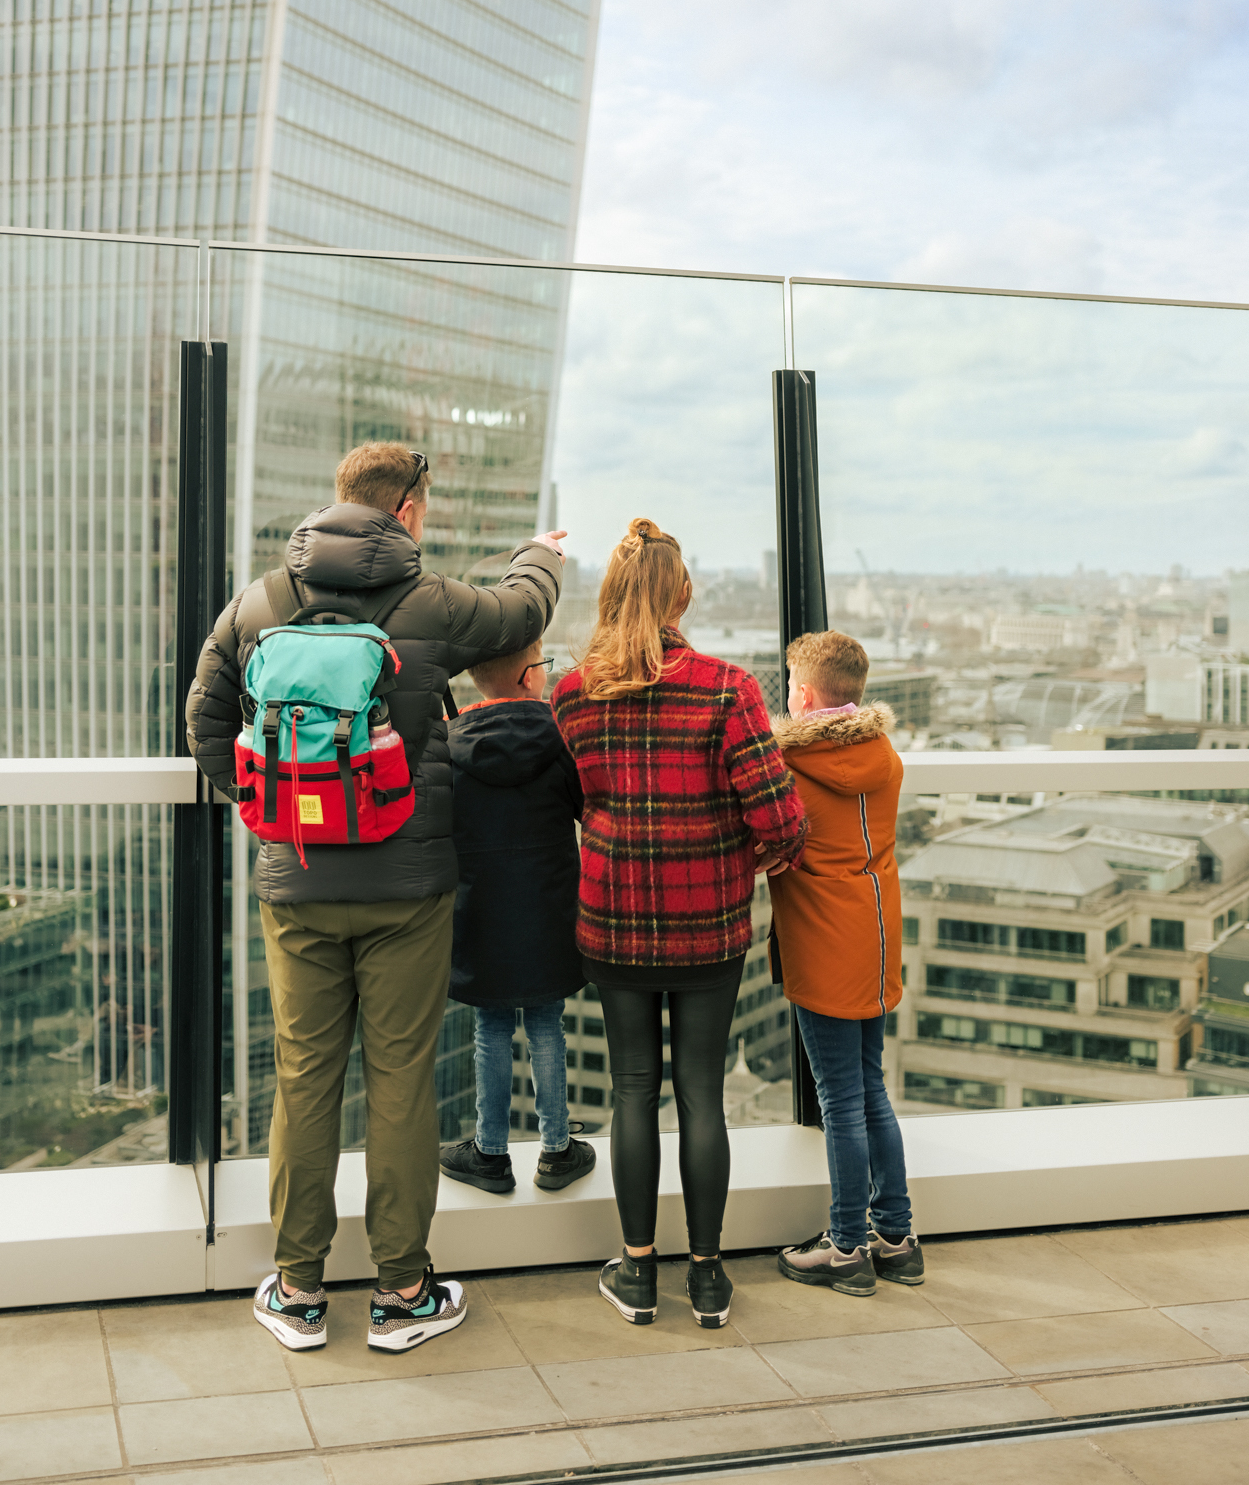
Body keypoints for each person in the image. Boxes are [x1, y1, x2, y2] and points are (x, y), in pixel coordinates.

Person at [185, 441, 566, 1355]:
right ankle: (402, 1293)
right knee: (398, 1083)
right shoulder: (430, 602)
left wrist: (268, 809)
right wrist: (542, 553)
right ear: (409, 509)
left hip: (300, 880)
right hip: (407, 886)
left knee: (304, 1080)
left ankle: (300, 1291)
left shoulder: (260, 603)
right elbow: (521, 610)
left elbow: (204, 719)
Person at [552, 519, 807, 1330]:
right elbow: (781, 816)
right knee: (702, 1094)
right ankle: (706, 1278)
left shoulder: (571, 693)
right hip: (709, 922)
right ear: (683, 594)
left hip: (615, 918)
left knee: (633, 1091)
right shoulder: (729, 688)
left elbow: (572, 806)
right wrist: (757, 859)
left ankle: (636, 1271)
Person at [767, 629, 923, 1295]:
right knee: (870, 1087)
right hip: (876, 932)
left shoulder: (789, 764)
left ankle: (846, 1247)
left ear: (802, 695)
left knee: (840, 1100)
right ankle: (896, 1237)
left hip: (822, 937)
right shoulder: (883, 752)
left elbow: (772, 837)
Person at [438, 637, 596, 1197]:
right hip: (550, 906)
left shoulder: (450, 744)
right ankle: (556, 1149)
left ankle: (490, 1151)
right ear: (531, 677)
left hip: (480, 909)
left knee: (491, 1029)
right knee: (547, 1024)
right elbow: (590, 811)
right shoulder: (563, 739)